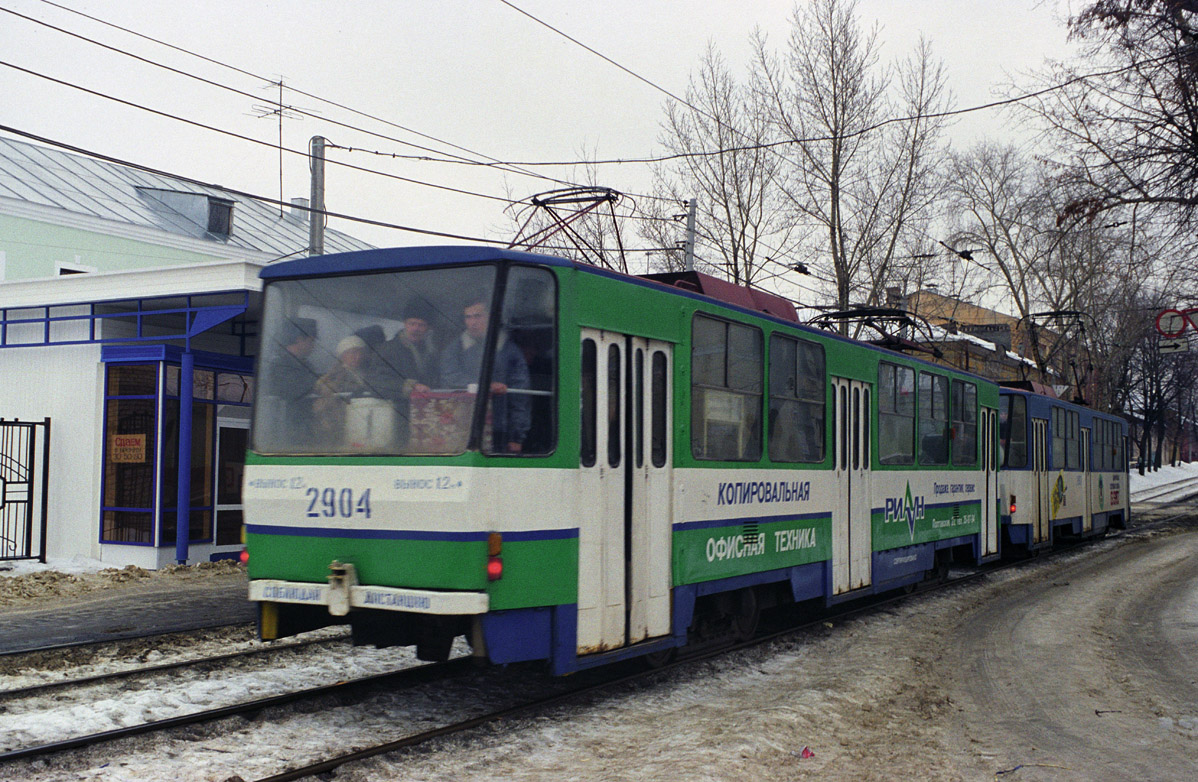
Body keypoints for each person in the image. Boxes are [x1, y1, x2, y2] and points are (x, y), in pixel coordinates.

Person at [440, 298, 530, 453]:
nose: (472, 322)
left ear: (490, 317)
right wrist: (484, 386)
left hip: (500, 428)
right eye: (468, 317)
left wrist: (516, 436)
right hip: (461, 427)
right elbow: (449, 378)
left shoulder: (509, 350)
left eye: (477, 316)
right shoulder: (454, 350)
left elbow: (520, 394)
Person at [262, 317, 319, 445]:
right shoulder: (278, 363)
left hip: (304, 428)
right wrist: (317, 385)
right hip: (286, 428)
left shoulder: (307, 365)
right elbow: (291, 389)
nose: (313, 346)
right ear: (300, 340)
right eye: (311, 341)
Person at [313, 335, 373, 444]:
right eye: (352, 352)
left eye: (360, 352)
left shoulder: (370, 373)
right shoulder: (333, 377)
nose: (357, 356)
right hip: (340, 424)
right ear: (342, 355)